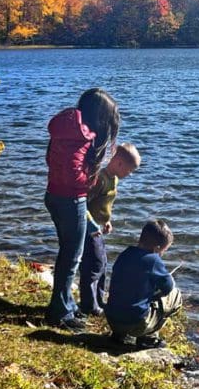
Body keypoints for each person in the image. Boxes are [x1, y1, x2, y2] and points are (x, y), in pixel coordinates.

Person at [44, 88, 119, 330]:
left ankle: (66, 304)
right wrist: (90, 182)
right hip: (70, 200)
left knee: (68, 253)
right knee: (71, 258)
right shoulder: (82, 137)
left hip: (54, 195)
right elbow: (75, 174)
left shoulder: (66, 130)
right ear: (100, 117)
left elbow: (51, 159)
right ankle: (60, 313)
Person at [79, 143, 142, 316]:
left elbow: (105, 203)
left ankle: (99, 300)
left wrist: (107, 220)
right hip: (87, 227)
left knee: (103, 263)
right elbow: (82, 204)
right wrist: (92, 225)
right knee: (94, 264)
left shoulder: (114, 179)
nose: (129, 175)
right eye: (129, 171)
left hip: (98, 227)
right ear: (119, 163)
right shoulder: (99, 178)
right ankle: (88, 305)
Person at [105, 219, 183, 349]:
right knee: (176, 296)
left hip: (113, 320)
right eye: (163, 251)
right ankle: (148, 337)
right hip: (136, 324)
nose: (162, 254)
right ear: (157, 248)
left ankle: (119, 335)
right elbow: (168, 287)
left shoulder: (125, 254)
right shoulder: (153, 260)